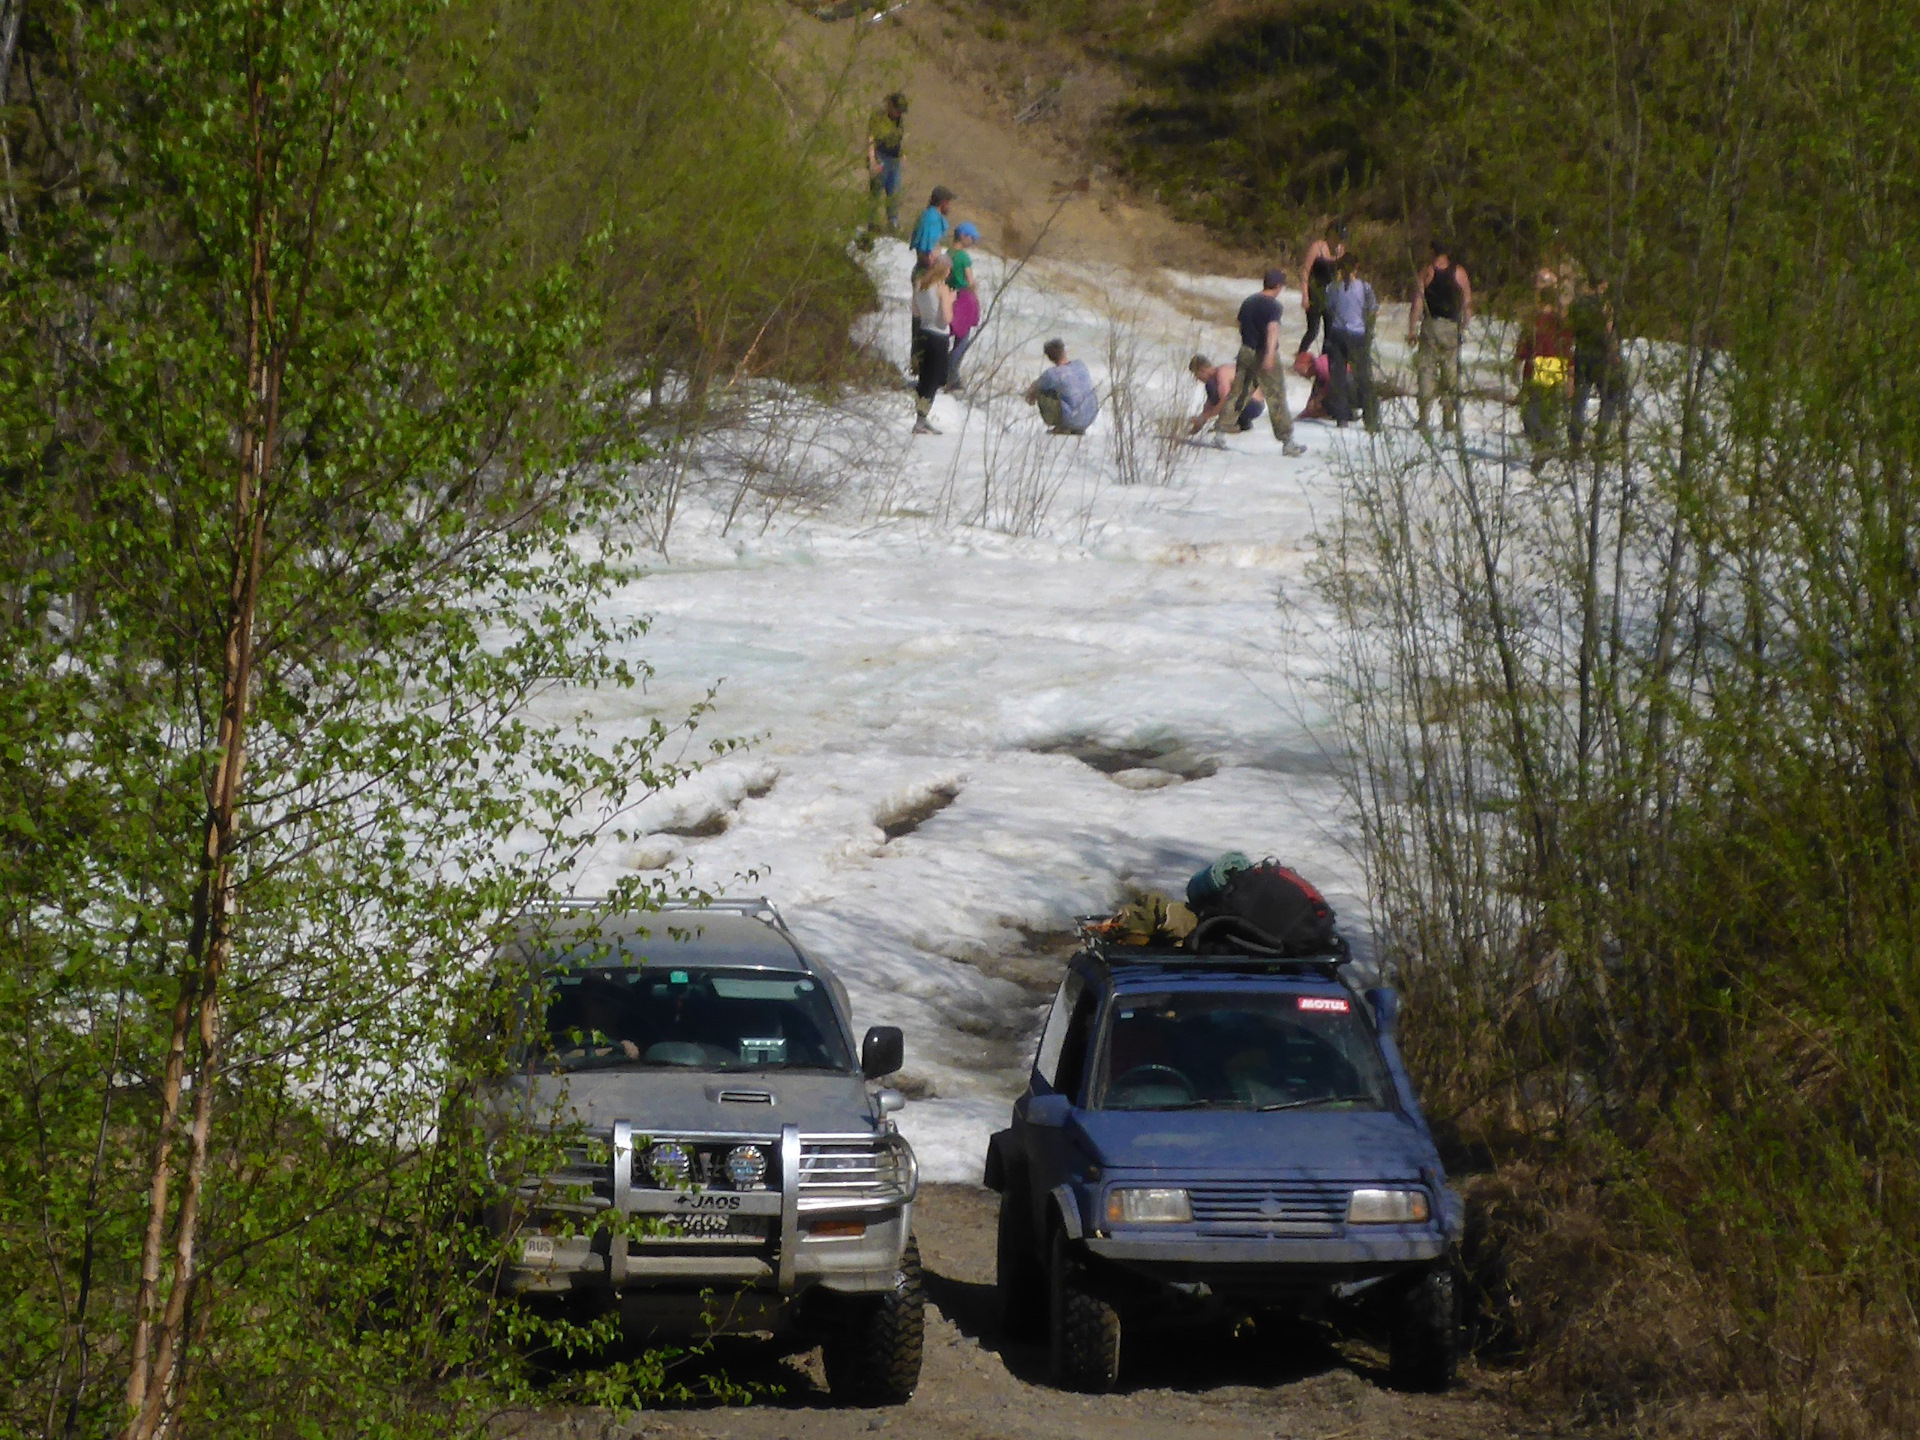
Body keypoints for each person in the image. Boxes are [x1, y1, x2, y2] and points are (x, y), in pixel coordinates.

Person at [1218, 269, 1308, 457]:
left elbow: (1240, 324)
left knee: (1239, 391)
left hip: (1246, 350)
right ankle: (1287, 441)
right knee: (1276, 395)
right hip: (1263, 352)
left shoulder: (1248, 302)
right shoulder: (1273, 306)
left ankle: (1221, 431)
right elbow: (1272, 330)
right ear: (1278, 286)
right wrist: (1268, 355)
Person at [1409, 240, 1474, 433]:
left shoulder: (1427, 272)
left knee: (1427, 371)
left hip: (1431, 325)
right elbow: (1467, 301)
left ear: (1433, 251)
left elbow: (1417, 303)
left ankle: (1423, 417)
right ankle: (1448, 418)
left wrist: (1412, 328)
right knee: (1450, 373)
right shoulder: (1459, 273)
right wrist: (1464, 325)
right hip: (1451, 327)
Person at [1514, 271, 1575, 463]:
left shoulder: (1533, 322)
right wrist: (1571, 376)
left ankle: (1541, 443)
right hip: (1556, 369)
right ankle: (1548, 442)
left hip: (1535, 368)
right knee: (1550, 410)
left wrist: (1516, 364)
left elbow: (1524, 348)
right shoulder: (1563, 324)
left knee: (1530, 410)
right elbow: (1568, 350)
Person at [1569, 276, 1626, 452]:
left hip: (1582, 354)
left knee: (1580, 400)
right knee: (1609, 399)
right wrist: (1615, 353)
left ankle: (1575, 441)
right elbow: (1609, 331)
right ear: (1603, 284)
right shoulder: (1604, 305)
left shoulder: (1577, 304)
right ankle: (1600, 441)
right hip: (1602, 357)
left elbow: (1571, 328)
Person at [1323, 252, 1379, 431]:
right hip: (1357, 334)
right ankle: (1370, 419)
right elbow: (1372, 310)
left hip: (1338, 333)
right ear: (1357, 267)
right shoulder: (1365, 287)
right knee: (1363, 377)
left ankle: (1342, 416)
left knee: (1337, 376)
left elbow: (1329, 308)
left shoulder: (1332, 287)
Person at [907, 185, 954, 372]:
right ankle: (920, 364)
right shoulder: (931, 219)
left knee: (923, 319)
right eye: (949, 202)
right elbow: (927, 252)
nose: (950, 206)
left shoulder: (929, 216)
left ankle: (920, 364)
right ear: (943, 203)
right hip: (925, 273)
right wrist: (936, 271)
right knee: (924, 321)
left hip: (925, 272)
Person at [910, 255, 955, 435]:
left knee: (924, 378)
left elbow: (915, 311)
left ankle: (921, 418)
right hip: (938, 337)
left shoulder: (920, 284)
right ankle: (921, 421)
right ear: (945, 270)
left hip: (923, 332)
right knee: (933, 380)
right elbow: (946, 319)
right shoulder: (941, 288)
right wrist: (950, 301)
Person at [1026, 338, 1098, 435]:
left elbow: (1033, 389)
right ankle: (1078, 426)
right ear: (1064, 351)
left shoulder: (1051, 374)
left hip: (1071, 420)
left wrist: (1031, 397)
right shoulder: (1080, 365)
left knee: (1043, 392)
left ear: (1049, 357)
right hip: (1089, 418)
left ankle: (1062, 426)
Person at [1187, 354, 1265, 442]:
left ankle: (1221, 433)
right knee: (1213, 389)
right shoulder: (1215, 379)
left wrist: (1204, 418)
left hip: (1253, 404)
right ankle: (1242, 423)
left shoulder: (1221, 374)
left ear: (1202, 370)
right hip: (1255, 404)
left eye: (1196, 375)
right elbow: (1210, 403)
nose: (1197, 379)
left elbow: (1224, 400)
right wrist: (1200, 421)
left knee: (1215, 390)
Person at [1297, 222, 1348, 356]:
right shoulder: (1317, 247)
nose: (1339, 241)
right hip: (1315, 291)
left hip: (1330, 294)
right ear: (1331, 234)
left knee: (1330, 331)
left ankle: (1324, 361)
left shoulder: (1340, 249)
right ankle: (1300, 355)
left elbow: (1339, 273)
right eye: (1338, 237)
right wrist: (1305, 295)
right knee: (1313, 330)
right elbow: (1305, 271)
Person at [946, 222, 982, 385]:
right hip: (965, 298)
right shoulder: (963, 257)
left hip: (950, 296)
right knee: (962, 340)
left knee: (948, 334)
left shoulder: (948, 254)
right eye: (972, 238)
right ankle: (952, 375)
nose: (973, 242)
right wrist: (976, 296)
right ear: (963, 236)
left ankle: (942, 369)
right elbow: (970, 281)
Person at [867, 92, 907, 233]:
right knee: (876, 191)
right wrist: (872, 160)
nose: (898, 114)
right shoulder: (879, 118)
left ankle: (892, 222)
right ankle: (872, 222)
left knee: (894, 191)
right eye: (897, 110)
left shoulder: (899, 120)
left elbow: (899, 139)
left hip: (894, 160)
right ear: (890, 106)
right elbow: (871, 138)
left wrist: (902, 154)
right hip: (880, 157)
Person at [1292, 350, 1334, 421]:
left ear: (1308, 365)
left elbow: (1331, 387)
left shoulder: (1322, 368)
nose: (1301, 375)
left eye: (1301, 371)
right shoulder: (1318, 368)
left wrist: (1318, 400)